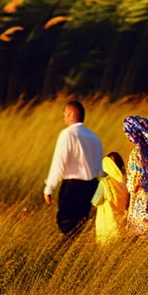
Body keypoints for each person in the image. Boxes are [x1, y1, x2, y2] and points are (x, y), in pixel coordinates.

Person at [43, 100, 104, 238]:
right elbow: (99, 169)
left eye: (65, 114)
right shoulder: (94, 137)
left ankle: (68, 248)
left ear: (71, 114)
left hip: (72, 187)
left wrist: (49, 188)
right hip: (91, 186)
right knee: (81, 223)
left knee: (66, 224)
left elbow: (59, 163)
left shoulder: (67, 134)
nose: (63, 117)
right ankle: (75, 246)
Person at [120, 114, 148, 236]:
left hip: (140, 198)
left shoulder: (137, 154)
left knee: (141, 233)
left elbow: (137, 180)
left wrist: (130, 186)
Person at [92, 151, 130, 245]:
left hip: (109, 225)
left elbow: (95, 202)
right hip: (125, 224)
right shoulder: (127, 180)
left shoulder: (104, 183)